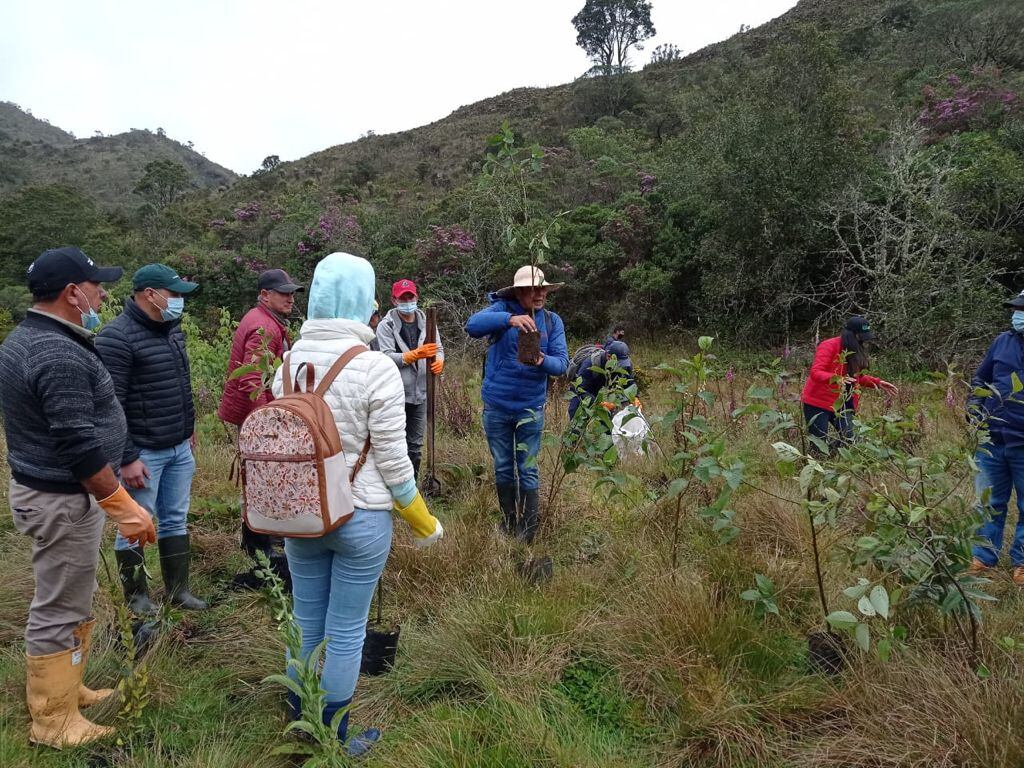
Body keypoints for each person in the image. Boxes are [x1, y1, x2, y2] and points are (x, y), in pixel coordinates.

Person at [270, 252, 442, 756]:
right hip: (360, 516)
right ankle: (334, 737)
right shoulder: (373, 368)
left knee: (306, 619)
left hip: (300, 513)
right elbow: (393, 462)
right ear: (358, 303)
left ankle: (298, 716)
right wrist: (422, 520)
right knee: (347, 630)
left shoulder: (287, 363)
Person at [0, 247, 156, 749]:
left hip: (55, 492)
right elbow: (78, 443)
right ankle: (52, 721)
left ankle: (70, 689)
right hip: (62, 499)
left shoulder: (32, 338)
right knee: (59, 605)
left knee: (72, 596)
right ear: (72, 293)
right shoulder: (56, 353)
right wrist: (125, 509)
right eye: (95, 285)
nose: (103, 293)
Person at [96, 264, 208, 613]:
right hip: (144, 453)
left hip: (177, 446)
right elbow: (110, 404)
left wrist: (188, 427)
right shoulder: (117, 337)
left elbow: (182, 386)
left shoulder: (171, 330)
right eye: (174, 294)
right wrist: (127, 457)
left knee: (176, 517)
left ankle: (178, 591)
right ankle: (138, 599)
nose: (178, 302)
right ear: (150, 294)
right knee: (134, 522)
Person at [465, 265, 569, 543]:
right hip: (496, 406)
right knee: (502, 465)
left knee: (528, 467)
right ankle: (509, 522)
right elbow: (472, 326)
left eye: (542, 289)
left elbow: (561, 364)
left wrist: (540, 360)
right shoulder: (501, 310)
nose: (539, 294)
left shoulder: (551, 321)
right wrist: (510, 319)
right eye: (532, 289)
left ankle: (528, 530)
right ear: (519, 292)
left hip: (530, 408)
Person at [218, 269, 303, 584]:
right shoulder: (262, 326)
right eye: (283, 293)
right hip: (258, 416)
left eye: (292, 293)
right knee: (260, 481)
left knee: (257, 479)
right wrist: (263, 422)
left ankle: (258, 540)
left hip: (256, 414)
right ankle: (258, 547)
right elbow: (253, 378)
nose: (290, 298)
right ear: (265, 295)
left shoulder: (265, 320)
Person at [967, 290, 1024, 584]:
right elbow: (981, 378)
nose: (1018, 315)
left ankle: (1022, 564)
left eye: (1022, 310)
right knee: (988, 503)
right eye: (1016, 309)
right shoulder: (1002, 342)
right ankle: (983, 558)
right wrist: (974, 404)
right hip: (993, 438)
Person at [376, 278, 444, 480]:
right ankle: (395, 485)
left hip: (421, 391)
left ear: (416, 297)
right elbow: (385, 356)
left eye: (410, 297)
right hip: (395, 393)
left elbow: (438, 348)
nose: (407, 301)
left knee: (415, 444)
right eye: (402, 298)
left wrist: (440, 361)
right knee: (396, 442)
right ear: (394, 300)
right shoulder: (386, 326)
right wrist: (412, 355)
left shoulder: (427, 322)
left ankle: (412, 487)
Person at [800, 316, 897, 448]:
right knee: (819, 446)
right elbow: (816, 372)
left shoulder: (855, 350)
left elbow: (854, 377)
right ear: (851, 335)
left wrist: (877, 382)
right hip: (818, 402)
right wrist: (838, 379)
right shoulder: (829, 345)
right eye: (860, 336)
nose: (862, 340)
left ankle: (834, 456)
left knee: (851, 441)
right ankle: (820, 460)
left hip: (844, 403)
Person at [568, 339, 638, 421]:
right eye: (618, 363)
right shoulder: (590, 364)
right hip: (585, 388)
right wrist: (599, 404)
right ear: (608, 356)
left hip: (604, 390)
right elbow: (581, 389)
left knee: (607, 421)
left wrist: (634, 398)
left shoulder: (625, 364)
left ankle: (607, 433)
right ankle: (576, 433)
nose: (620, 366)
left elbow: (630, 383)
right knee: (576, 414)